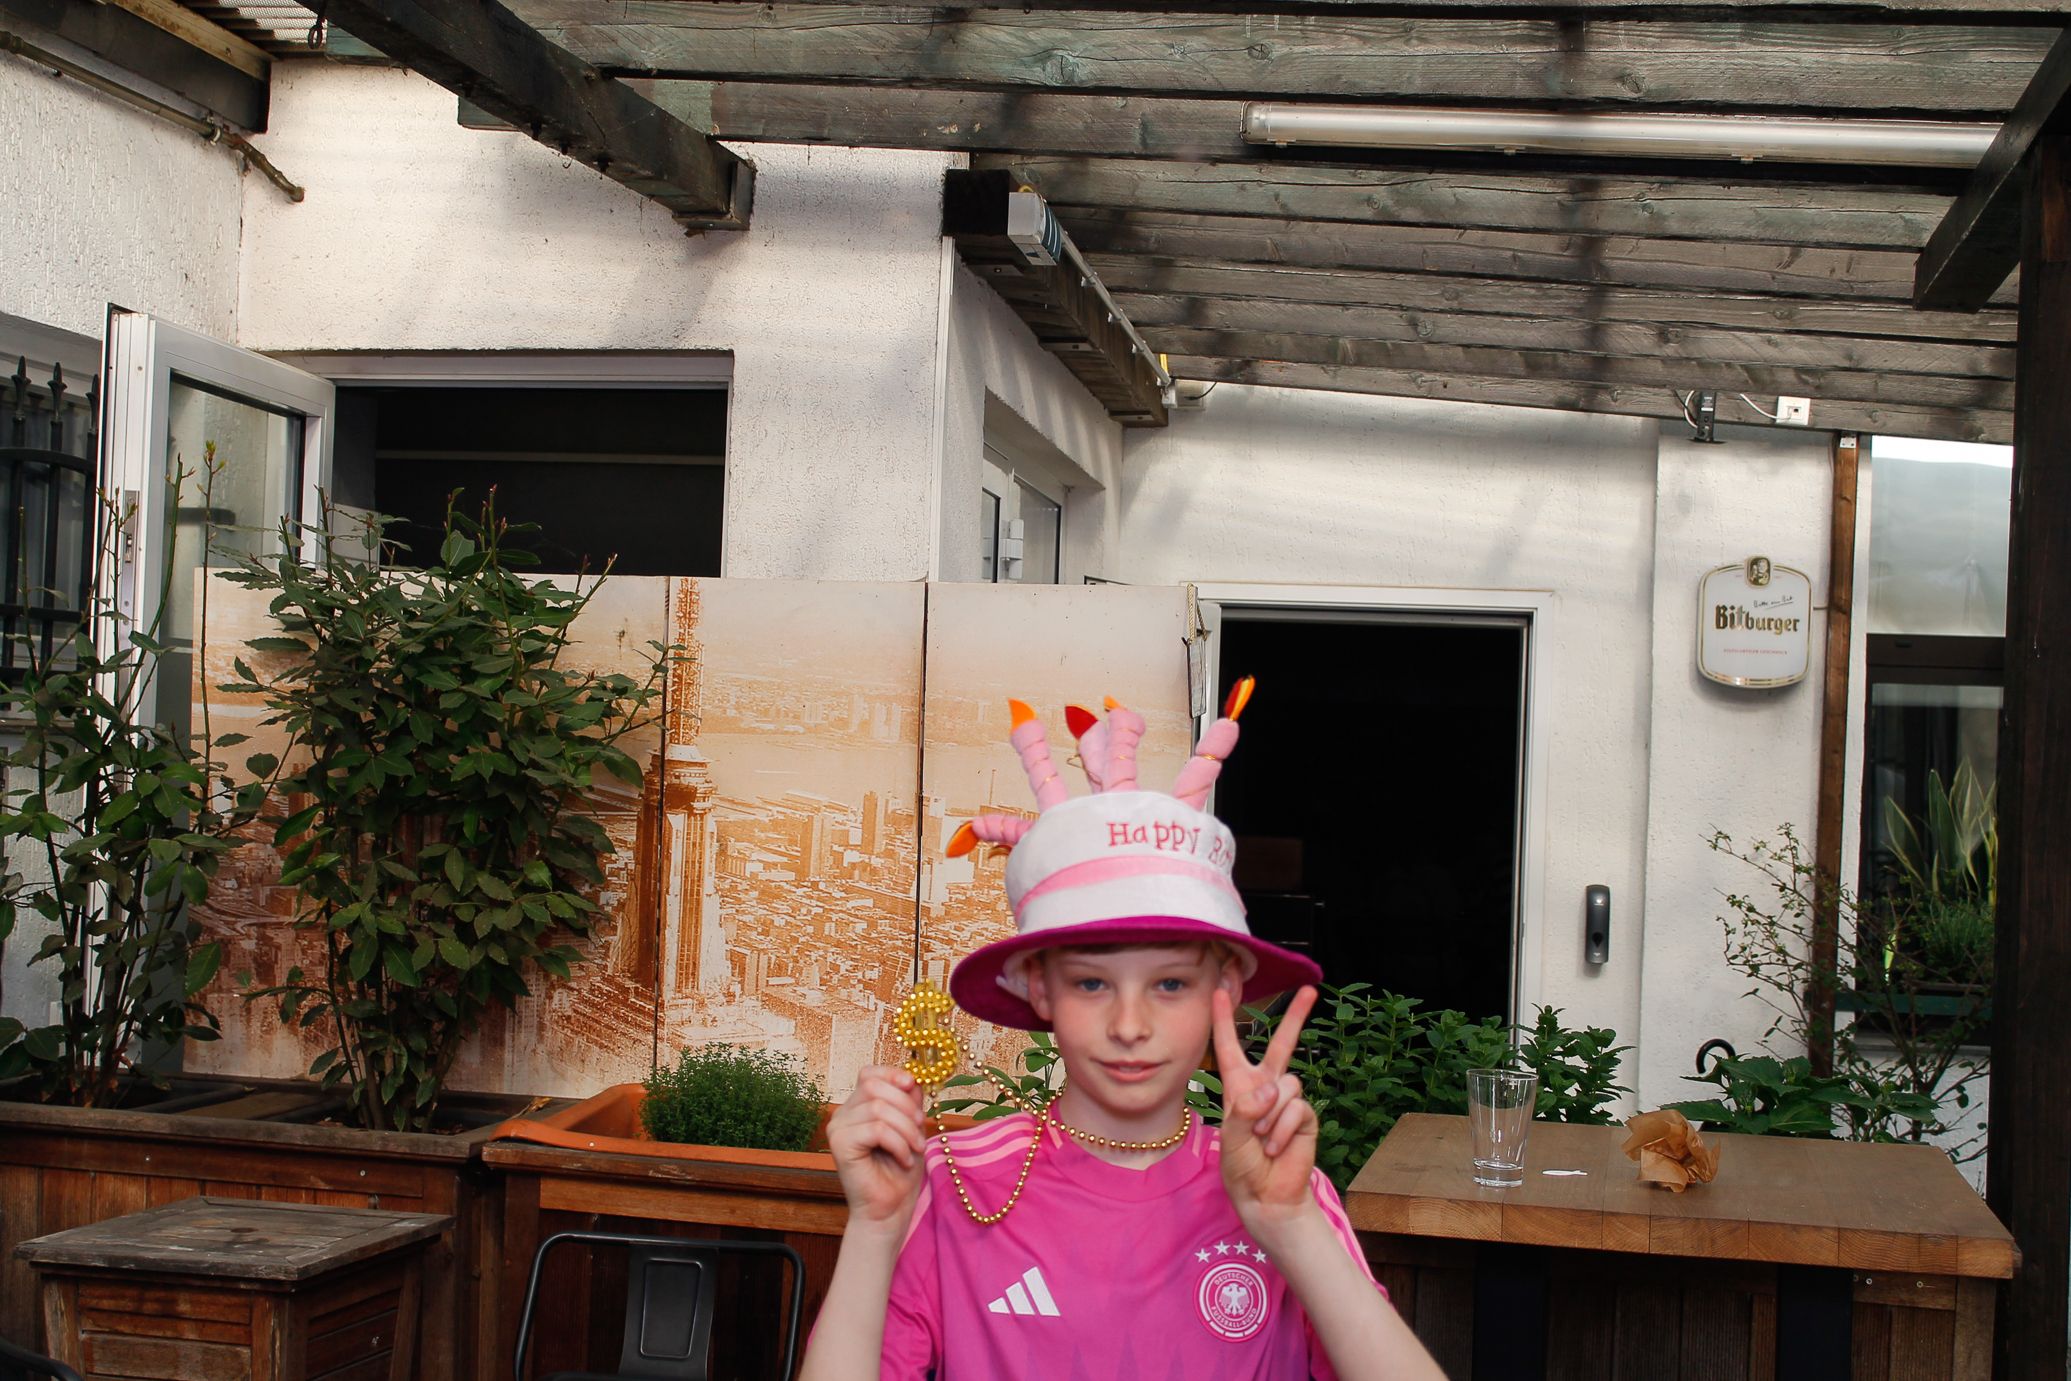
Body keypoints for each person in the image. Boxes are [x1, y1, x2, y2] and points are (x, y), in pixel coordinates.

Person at [799, 692, 1448, 1381]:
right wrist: (874, 1229)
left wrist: (1287, 1223)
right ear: (1038, 987)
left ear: (1224, 989)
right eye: (1091, 983)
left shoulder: (1286, 1188)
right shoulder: (955, 1180)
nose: (1130, 1026)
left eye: (1169, 984)